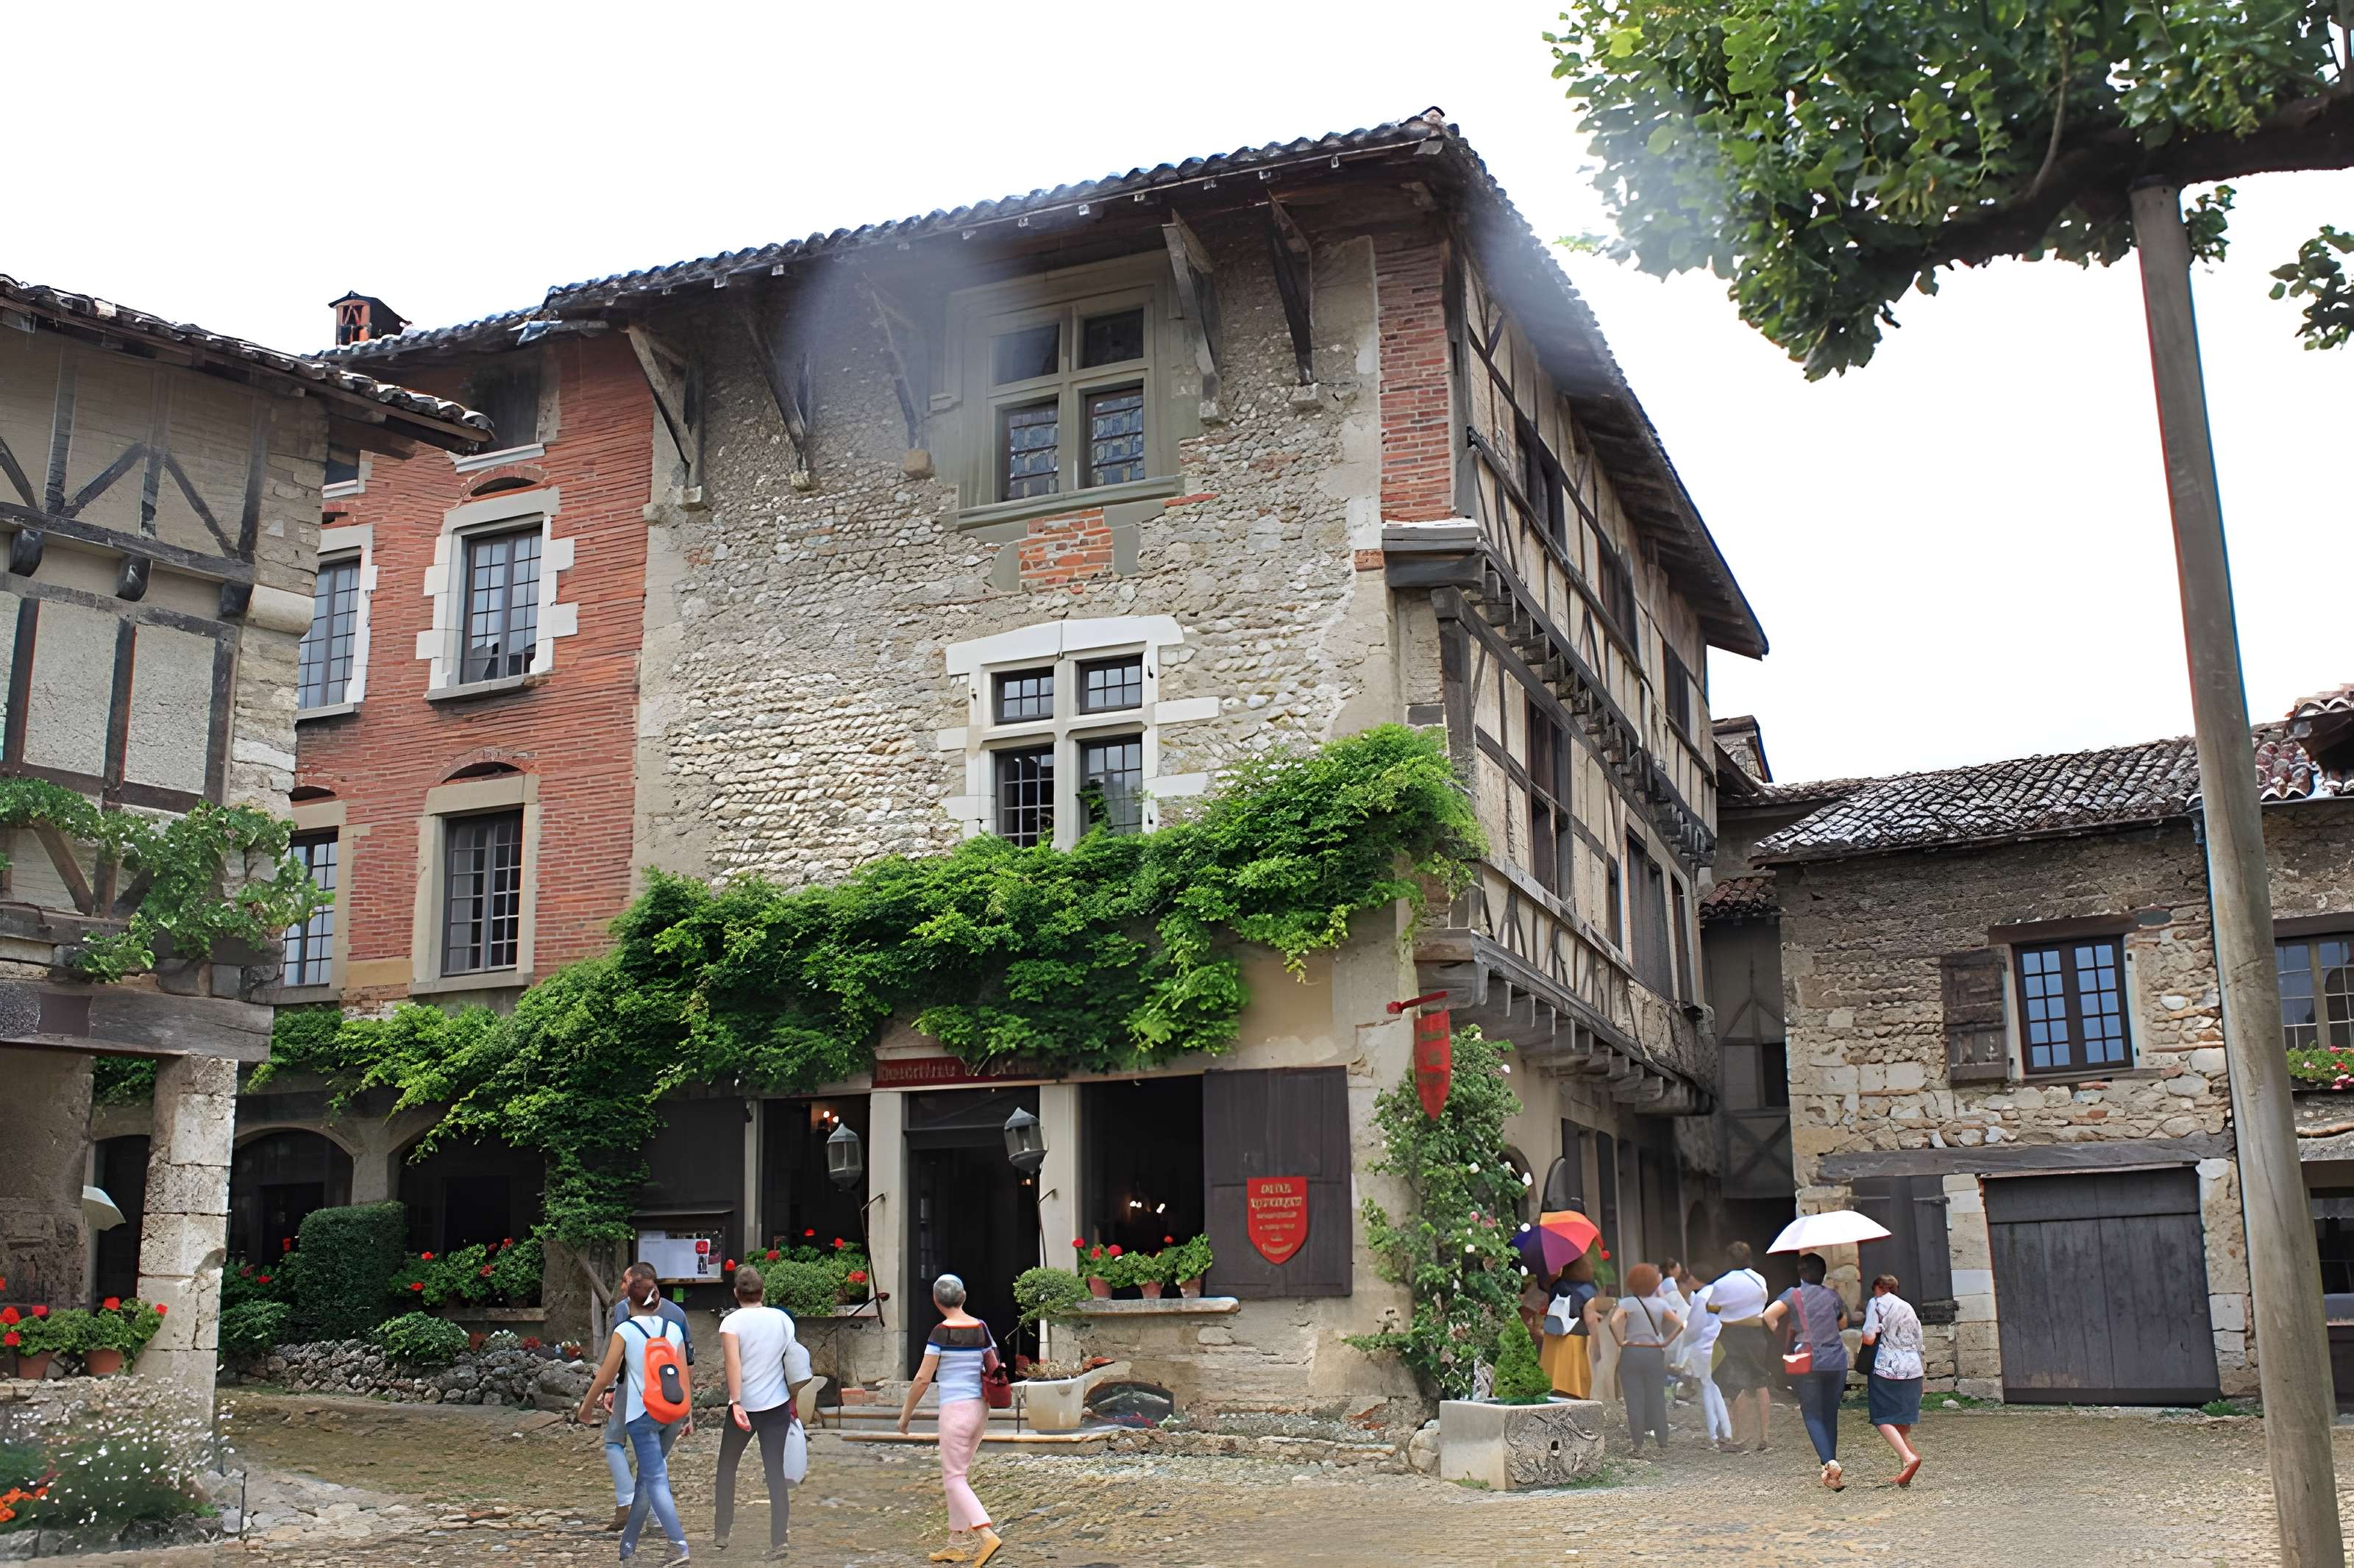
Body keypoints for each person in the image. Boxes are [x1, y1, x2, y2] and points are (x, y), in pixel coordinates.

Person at [577, 1267, 693, 1565]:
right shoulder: (673, 1329)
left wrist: (586, 1407)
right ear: (657, 1297)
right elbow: (684, 1377)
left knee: (655, 1480)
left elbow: (605, 1376)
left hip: (643, 1415)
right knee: (646, 1479)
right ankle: (627, 1548)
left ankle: (678, 1545)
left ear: (628, 1299)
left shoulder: (625, 1331)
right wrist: (688, 1413)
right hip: (673, 1414)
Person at [897, 1274, 1002, 1567]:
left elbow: (922, 1379)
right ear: (963, 1297)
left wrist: (905, 1416)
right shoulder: (981, 1327)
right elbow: (993, 1364)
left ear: (936, 1301)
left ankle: (985, 1534)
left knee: (954, 1478)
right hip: (979, 1408)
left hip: (955, 1410)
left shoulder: (940, 1332)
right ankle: (956, 1544)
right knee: (957, 1475)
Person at [715, 1264, 811, 1560]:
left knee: (727, 1466)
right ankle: (779, 1540)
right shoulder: (782, 1319)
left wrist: (736, 1402)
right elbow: (793, 1362)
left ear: (736, 1293)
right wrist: (793, 1399)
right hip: (777, 1404)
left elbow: (733, 1363)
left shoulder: (731, 1322)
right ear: (763, 1292)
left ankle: (722, 1531)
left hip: (745, 1405)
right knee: (775, 1472)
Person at [600, 1264, 696, 1533]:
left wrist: (610, 1388)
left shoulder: (624, 1309)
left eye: (626, 1281)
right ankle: (655, 1517)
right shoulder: (676, 1315)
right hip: (669, 1394)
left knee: (613, 1441)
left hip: (631, 1389)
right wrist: (687, 1408)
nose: (623, 1287)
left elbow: (618, 1356)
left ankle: (627, 1503)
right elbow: (686, 1363)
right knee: (655, 1455)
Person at [1764, 1252, 1852, 1490]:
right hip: (1836, 1360)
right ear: (1823, 1274)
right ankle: (1831, 1472)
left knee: (1812, 1414)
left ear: (1801, 1273)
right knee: (1830, 1414)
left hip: (1808, 1360)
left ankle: (1829, 1462)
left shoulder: (1794, 1295)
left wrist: (1783, 1335)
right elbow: (1843, 1323)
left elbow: (1769, 1315)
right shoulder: (1833, 1295)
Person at [1706, 1241, 1776, 1453]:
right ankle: (1765, 1436)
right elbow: (1763, 1299)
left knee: (1735, 1384)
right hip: (1756, 1334)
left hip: (1731, 1334)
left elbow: (1712, 1306)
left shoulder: (1722, 1283)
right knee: (1760, 1380)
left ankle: (1740, 1436)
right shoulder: (1758, 1279)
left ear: (1728, 1259)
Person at [1607, 1262, 1683, 1451]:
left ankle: (1638, 1443)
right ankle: (1662, 1440)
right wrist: (1665, 1342)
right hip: (1654, 1352)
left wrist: (1620, 1341)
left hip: (1631, 1352)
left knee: (1633, 1398)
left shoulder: (1627, 1303)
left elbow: (1613, 1322)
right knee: (1656, 1396)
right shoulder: (1661, 1304)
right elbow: (1680, 1324)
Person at [1860, 1273, 1926, 1486]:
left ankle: (1908, 1458)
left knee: (1881, 1417)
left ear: (1878, 1288)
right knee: (1901, 1421)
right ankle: (1909, 1462)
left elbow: (1869, 1337)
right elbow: (1919, 1340)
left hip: (1888, 1367)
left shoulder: (1877, 1303)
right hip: (1913, 1367)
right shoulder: (1907, 1306)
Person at [1679, 1269, 1735, 1450]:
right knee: (1715, 1388)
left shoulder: (1702, 1297)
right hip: (1721, 1343)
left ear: (1695, 1278)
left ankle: (1716, 1433)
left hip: (1704, 1348)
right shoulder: (1718, 1292)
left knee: (1708, 1390)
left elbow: (1693, 1328)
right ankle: (1725, 1430)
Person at [1540, 1253, 1598, 1398]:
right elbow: (1590, 1318)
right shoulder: (1587, 1289)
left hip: (1553, 1335)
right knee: (1574, 1386)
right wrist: (1597, 1342)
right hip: (1574, 1338)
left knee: (1554, 1383)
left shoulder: (1557, 1285)